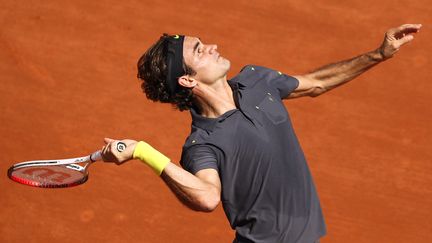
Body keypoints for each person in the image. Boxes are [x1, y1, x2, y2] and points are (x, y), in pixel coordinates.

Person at [101, 24, 421, 243]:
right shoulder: (203, 144)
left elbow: (316, 82)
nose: (212, 47)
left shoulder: (257, 80)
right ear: (187, 80)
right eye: (199, 51)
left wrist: (378, 54)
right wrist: (143, 151)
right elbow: (207, 196)